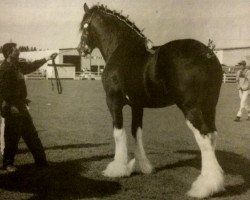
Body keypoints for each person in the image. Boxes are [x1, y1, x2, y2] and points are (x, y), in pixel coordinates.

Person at [0, 42, 57, 172]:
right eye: (16, 50)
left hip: (20, 106)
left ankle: (41, 161)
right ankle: (8, 163)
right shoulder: (4, 69)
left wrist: (48, 58)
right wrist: (8, 107)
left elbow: (32, 65)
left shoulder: (18, 65)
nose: (19, 52)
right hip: (12, 107)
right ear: (9, 53)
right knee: (12, 137)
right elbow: (3, 92)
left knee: (31, 134)